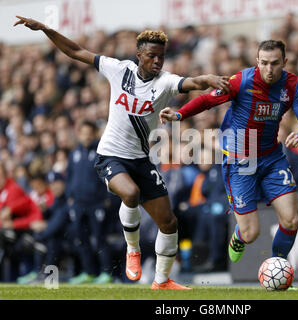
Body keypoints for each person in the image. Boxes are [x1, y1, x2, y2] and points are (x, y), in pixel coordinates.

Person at [14, 16, 230, 290]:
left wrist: (208, 78)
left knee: (169, 221)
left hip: (140, 159)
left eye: (161, 57)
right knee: (130, 193)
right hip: (110, 156)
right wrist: (46, 29)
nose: (157, 62)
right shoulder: (119, 69)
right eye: (152, 56)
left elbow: (193, 82)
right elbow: (76, 51)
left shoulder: (165, 82)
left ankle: (162, 281)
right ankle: (133, 249)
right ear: (139, 55)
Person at [160, 40, 298, 266]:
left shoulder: (291, 85)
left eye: (275, 63)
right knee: (251, 233)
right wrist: (179, 115)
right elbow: (207, 100)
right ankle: (240, 235)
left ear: (284, 62)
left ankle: (278, 266)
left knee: (292, 220)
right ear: (257, 62)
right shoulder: (241, 81)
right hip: (240, 161)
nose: (269, 69)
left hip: (272, 158)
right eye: (264, 63)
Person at [66, 121, 112, 284]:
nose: (86, 136)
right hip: (78, 204)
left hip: (96, 203)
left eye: (89, 133)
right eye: (83, 133)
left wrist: (107, 198)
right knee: (81, 238)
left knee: (99, 238)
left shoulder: (101, 152)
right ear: (79, 134)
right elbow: (69, 177)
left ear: (93, 134)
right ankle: (88, 272)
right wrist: (69, 196)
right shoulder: (74, 153)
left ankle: (106, 273)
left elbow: (108, 175)